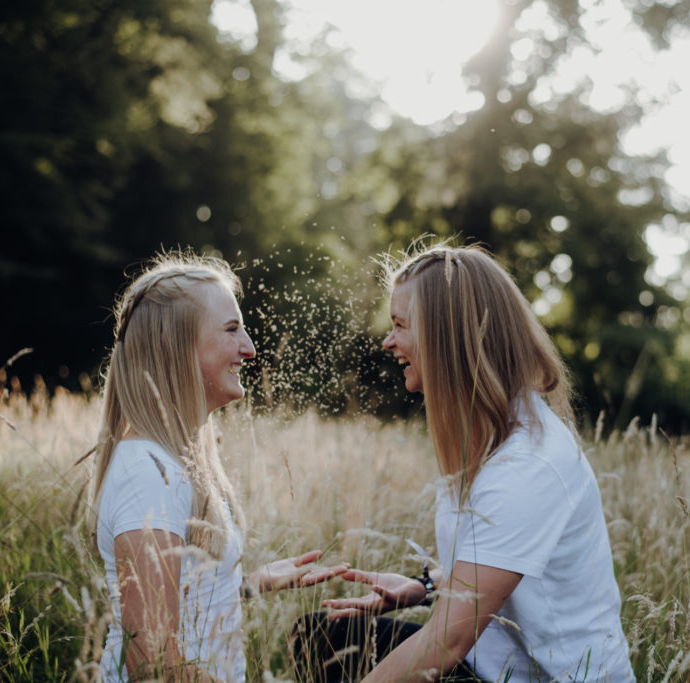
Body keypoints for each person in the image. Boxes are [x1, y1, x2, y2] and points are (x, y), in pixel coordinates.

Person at [292, 243, 634, 682]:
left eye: (400, 325)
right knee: (323, 635)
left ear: (445, 334)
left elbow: (445, 643)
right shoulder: (490, 434)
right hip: (489, 665)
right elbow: (500, 558)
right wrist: (426, 587)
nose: (387, 340)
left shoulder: (526, 464)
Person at [89, 251, 345, 682]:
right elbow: (152, 663)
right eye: (231, 330)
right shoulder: (147, 474)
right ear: (176, 347)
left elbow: (180, 601)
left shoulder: (173, 460)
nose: (249, 347)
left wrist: (246, 582)